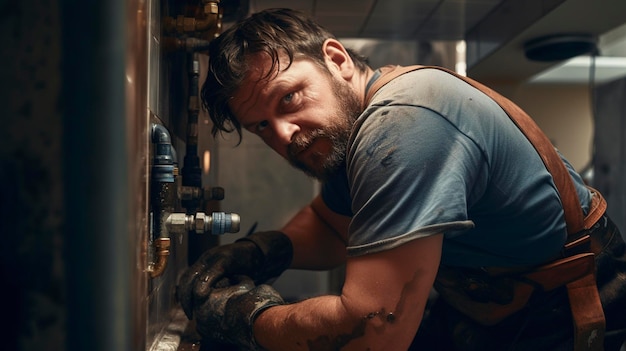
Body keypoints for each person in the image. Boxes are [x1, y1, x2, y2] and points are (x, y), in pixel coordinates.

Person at [176, 8, 626, 351]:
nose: (284, 134)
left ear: (336, 59)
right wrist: (259, 251)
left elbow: (375, 331)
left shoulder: (402, 123)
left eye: (289, 98)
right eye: (261, 126)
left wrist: (245, 316)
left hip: (561, 316)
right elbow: (332, 224)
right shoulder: (351, 133)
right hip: (488, 309)